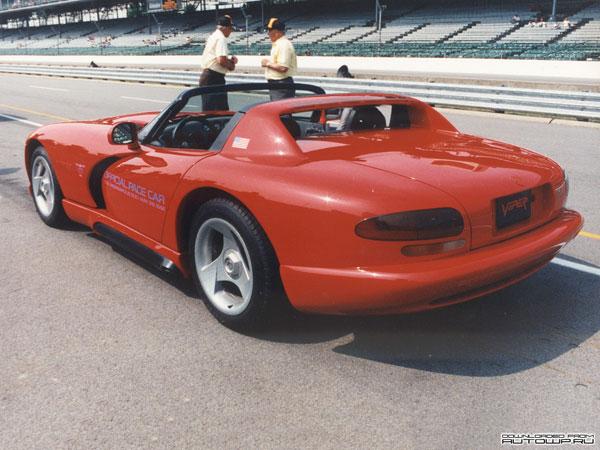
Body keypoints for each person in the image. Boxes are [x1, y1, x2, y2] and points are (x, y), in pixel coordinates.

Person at [199, 15, 238, 111]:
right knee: (220, 112)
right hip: (214, 78)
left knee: (209, 111)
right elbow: (221, 60)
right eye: (230, 29)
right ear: (227, 28)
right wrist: (231, 65)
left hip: (208, 77)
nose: (230, 32)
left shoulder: (213, 36)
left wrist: (228, 60)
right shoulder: (221, 38)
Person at [261, 18, 297, 101]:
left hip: (281, 85)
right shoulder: (279, 44)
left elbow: (283, 67)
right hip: (278, 85)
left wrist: (267, 64)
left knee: (281, 112)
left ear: (276, 32)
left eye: (270, 31)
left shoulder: (283, 45)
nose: (268, 33)